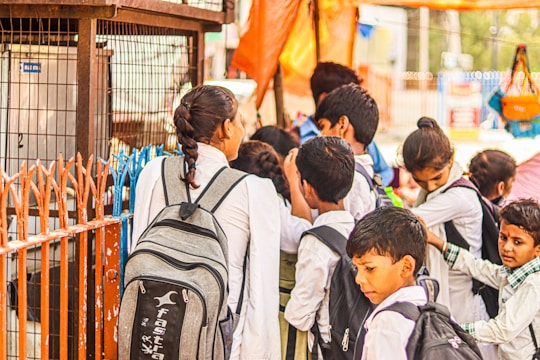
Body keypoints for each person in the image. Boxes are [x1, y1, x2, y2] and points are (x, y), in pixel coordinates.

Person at [132, 85, 281, 359]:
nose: (243, 131)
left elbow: (137, 259)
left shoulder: (153, 173)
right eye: (240, 122)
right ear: (226, 127)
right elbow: (261, 294)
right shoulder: (255, 191)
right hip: (220, 345)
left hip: (154, 337)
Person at [400, 117, 497, 358]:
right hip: (450, 294)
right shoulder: (440, 191)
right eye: (421, 180)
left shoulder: (457, 197)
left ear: (451, 161)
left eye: (436, 178)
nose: (430, 186)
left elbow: (405, 220)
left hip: (464, 299)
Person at [427, 199, 540, 360]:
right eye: (503, 238)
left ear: (538, 249)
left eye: (517, 242)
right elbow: (477, 267)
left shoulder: (534, 284)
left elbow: (501, 330)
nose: (507, 247)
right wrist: (436, 242)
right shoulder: (511, 274)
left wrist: (453, 329)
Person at [231, 140, 311, 360]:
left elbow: (301, 235)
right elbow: (302, 233)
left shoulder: (258, 200)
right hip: (272, 304)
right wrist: (293, 181)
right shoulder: (275, 202)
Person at [284, 136, 357, 357]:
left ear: (307, 188)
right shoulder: (359, 229)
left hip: (329, 349)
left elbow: (300, 314)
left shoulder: (315, 242)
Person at [293, 61, 394, 187]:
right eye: (346, 94)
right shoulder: (295, 138)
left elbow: (385, 171)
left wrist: (371, 187)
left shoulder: (359, 137)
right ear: (324, 97)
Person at [346, 206, 428, 359]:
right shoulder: (436, 314)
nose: (358, 279)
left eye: (369, 268)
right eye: (357, 268)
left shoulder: (387, 324)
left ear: (406, 266)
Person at [314, 83, 378, 219]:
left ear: (342, 125)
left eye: (322, 127)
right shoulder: (365, 173)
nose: (319, 136)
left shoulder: (351, 181)